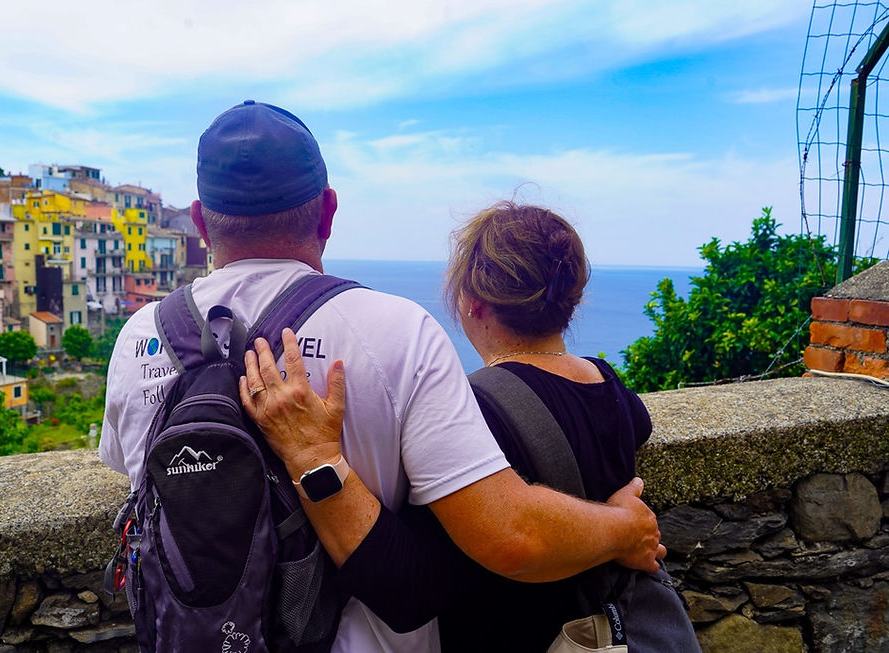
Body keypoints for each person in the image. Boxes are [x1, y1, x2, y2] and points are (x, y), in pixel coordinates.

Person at [100, 100, 664, 653]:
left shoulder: (139, 337)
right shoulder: (397, 331)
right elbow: (509, 536)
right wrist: (624, 526)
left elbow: (139, 479)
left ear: (200, 221)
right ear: (328, 211)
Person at [241, 202, 668, 651]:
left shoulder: (477, 410)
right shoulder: (609, 384)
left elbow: (407, 586)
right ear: (571, 298)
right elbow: (635, 428)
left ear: (472, 301)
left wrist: (315, 456)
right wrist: (618, 525)